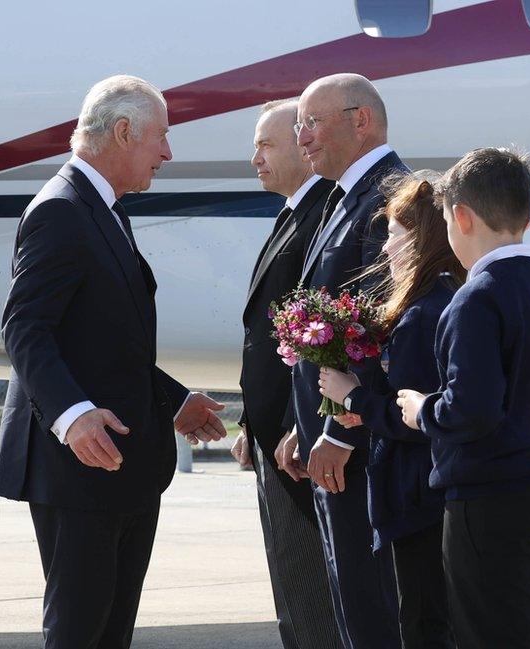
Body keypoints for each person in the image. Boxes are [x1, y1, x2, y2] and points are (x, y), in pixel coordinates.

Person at [0, 74, 227, 649]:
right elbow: (25, 327)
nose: (168, 153)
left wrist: (175, 401)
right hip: (80, 469)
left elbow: (105, 338)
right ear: (123, 132)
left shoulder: (105, 208)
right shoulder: (61, 210)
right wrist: (72, 415)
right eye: (162, 137)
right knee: (81, 629)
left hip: (119, 467)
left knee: (110, 631)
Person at [397, 148, 530, 649]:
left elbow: (471, 409)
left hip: (488, 502)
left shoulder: (476, 297)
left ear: (460, 217)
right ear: (527, 216)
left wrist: (423, 410)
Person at [284, 72, 405, 648]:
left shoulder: (390, 198)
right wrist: (298, 421)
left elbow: (381, 332)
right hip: (333, 445)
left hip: (362, 450)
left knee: (374, 604)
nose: (300, 137)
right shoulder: (344, 198)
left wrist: (340, 427)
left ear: (361, 120)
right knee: (351, 599)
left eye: (311, 121)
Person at [319, 172, 463, 648]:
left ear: (420, 240)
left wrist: (352, 397)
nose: (385, 251)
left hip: (420, 499)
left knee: (425, 624)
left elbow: (419, 420)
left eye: (395, 237)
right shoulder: (441, 301)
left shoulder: (423, 313)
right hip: (431, 497)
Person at [230, 98, 341, 649]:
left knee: (314, 591)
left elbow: (323, 334)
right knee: (295, 592)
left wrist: (307, 422)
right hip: (276, 438)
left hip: (298, 445)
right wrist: (253, 423)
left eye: (266, 144)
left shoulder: (323, 217)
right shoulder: (295, 214)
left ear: (303, 144)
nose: (254, 158)